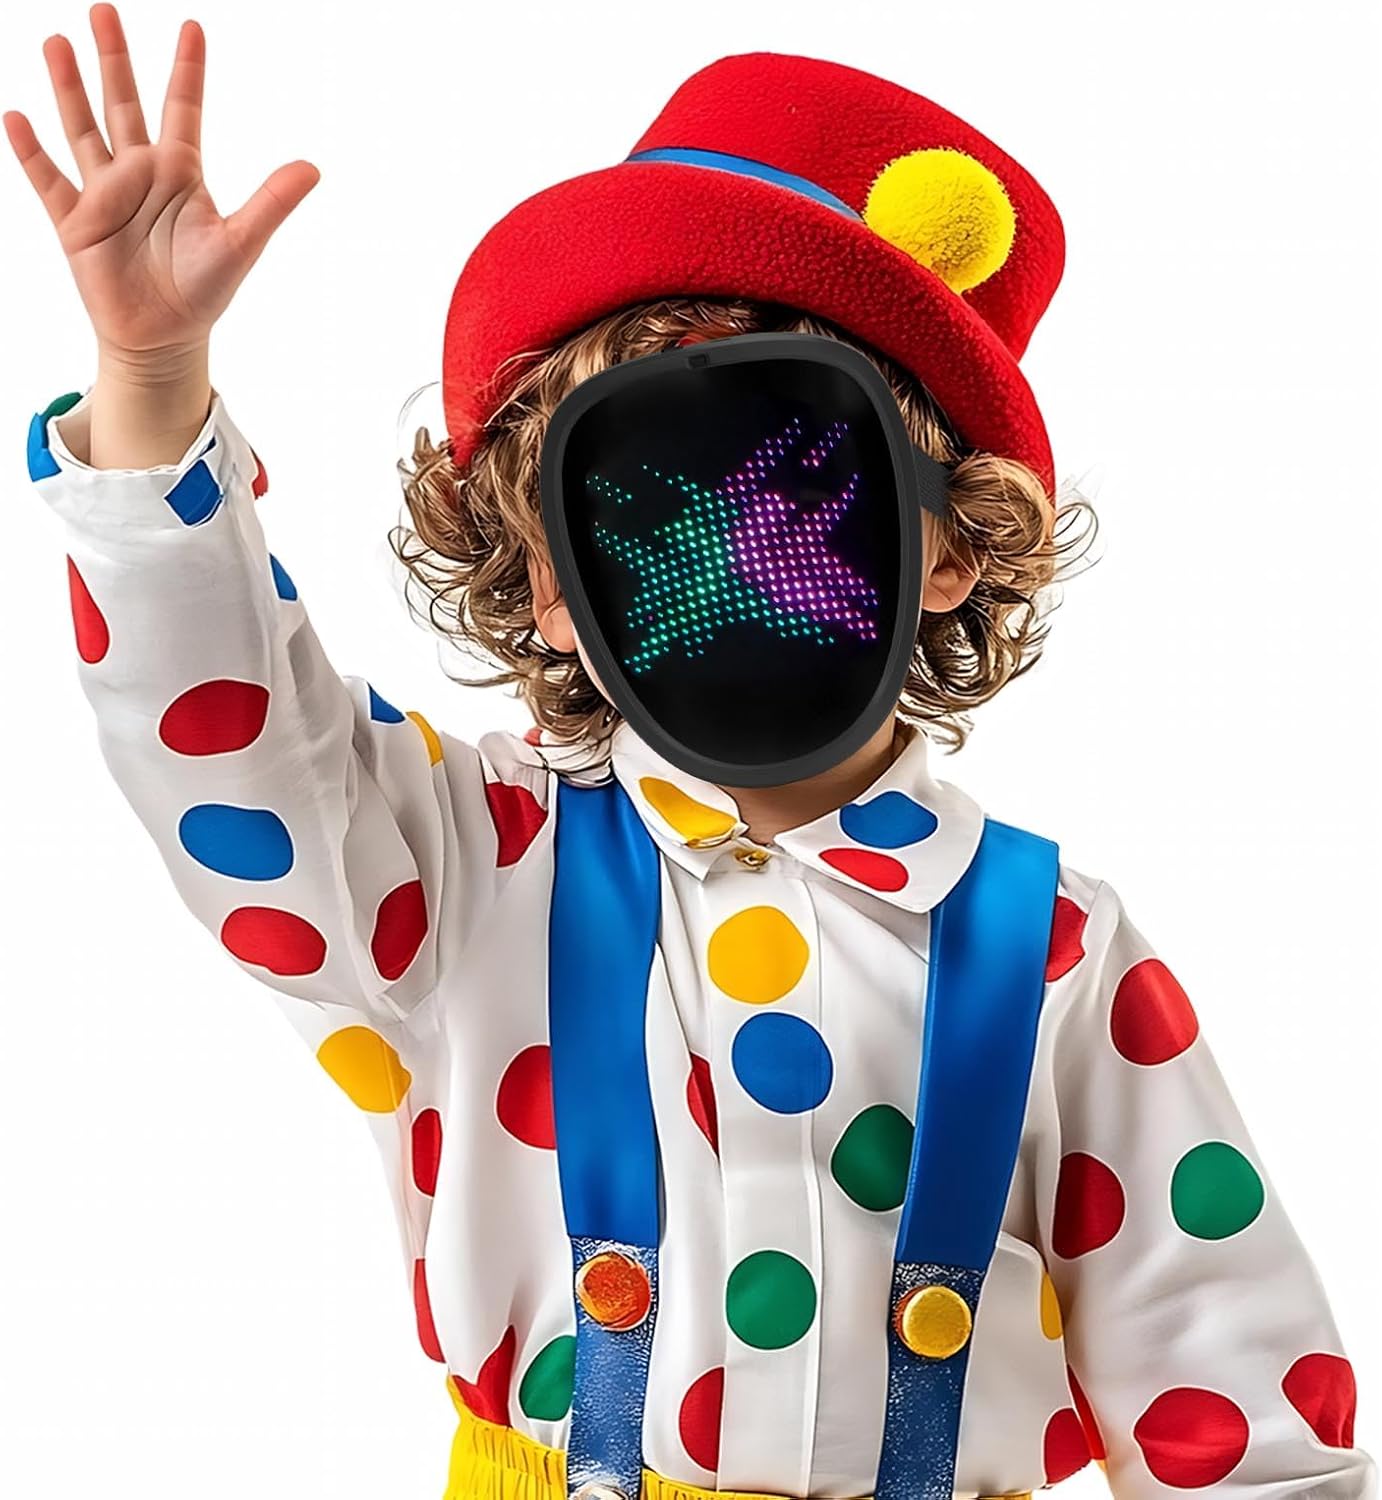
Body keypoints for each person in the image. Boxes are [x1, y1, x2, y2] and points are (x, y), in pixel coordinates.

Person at [8, 8, 1375, 1499]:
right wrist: (150, 382)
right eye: (638, 510)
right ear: (544, 581)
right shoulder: (472, 866)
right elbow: (226, 744)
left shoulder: (1055, 955)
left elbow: (1238, 1406)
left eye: (785, 481)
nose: (722, 554)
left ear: (948, 546)